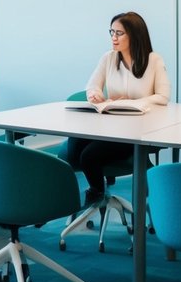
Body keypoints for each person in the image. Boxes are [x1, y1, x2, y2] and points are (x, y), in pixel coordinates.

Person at [68, 11, 170, 206]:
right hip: (109, 125)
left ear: (134, 35)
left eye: (119, 33)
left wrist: (128, 102)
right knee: (73, 146)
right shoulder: (109, 58)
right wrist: (95, 94)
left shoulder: (153, 60)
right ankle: (70, 197)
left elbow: (163, 97)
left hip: (136, 131)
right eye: (111, 32)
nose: (113, 37)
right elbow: (92, 85)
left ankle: (96, 193)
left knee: (88, 155)